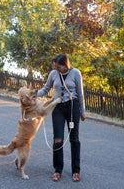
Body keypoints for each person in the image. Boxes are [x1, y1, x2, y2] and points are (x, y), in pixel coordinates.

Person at [37, 54, 86, 182]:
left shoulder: (75, 73)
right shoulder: (53, 74)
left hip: (72, 107)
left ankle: (76, 171)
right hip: (57, 107)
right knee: (58, 139)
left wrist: (83, 112)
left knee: (74, 139)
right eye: (55, 66)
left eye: (59, 66)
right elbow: (46, 89)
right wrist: (32, 94)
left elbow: (80, 93)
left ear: (65, 65)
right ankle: (57, 170)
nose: (56, 68)